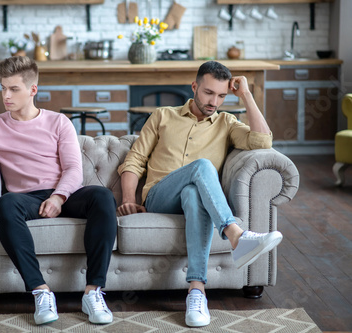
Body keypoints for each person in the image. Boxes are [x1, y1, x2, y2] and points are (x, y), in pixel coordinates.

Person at [0, 56, 116, 326]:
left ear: (33, 90)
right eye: (3, 88)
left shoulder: (58, 122)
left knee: (103, 196)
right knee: (5, 205)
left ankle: (93, 293)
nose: (6, 96)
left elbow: (73, 170)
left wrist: (59, 196)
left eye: (13, 89)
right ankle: (41, 292)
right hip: (26, 199)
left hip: (65, 194)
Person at [116, 61, 283, 328]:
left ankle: (196, 291)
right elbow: (134, 160)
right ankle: (236, 235)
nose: (214, 101)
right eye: (208, 93)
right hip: (160, 198)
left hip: (194, 201)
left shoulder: (227, 123)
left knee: (194, 194)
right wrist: (127, 199)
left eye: (221, 96)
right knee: (203, 166)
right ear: (194, 87)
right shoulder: (162, 116)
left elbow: (263, 142)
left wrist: (247, 95)